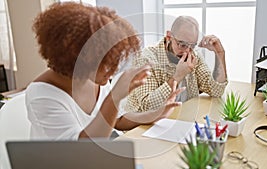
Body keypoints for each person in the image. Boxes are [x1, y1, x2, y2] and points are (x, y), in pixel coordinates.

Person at [26, 2, 183, 140]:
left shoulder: (91, 78)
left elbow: (116, 120)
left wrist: (155, 114)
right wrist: (115, 96)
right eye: (104, 64)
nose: (112, 72)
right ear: (76, 57)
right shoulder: (42, 95)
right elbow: (82, 151)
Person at [125, 16, 228, 112]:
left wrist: (219, 54)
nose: (187, 51)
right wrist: (178, 76)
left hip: (180, 118)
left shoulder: (194, 55)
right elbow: (147, 107)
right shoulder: (145, 59)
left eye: (192, 45)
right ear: (169, 36)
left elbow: (216, 91)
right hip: (142, 126)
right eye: (182, 44)